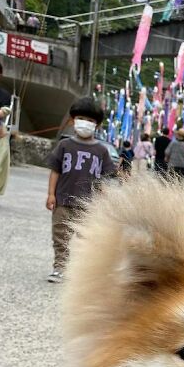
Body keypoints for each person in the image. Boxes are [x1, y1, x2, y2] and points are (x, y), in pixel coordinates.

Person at [45, 96, 115, 283]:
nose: (85, 123)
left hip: (87, 204)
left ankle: (80, 271)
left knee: (85, 239)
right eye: (81, 119)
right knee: (60, 235)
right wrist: (51, 194)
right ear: (73, 120)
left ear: (97, 125)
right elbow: (55, 171)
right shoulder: (64, 145)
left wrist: (104, 200)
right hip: (63, 200)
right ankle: (59, 267)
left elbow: (104, 179)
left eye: (90, 120)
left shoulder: (101, 151)